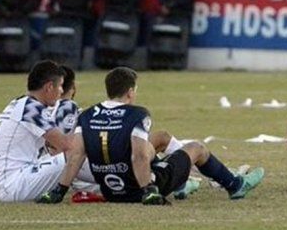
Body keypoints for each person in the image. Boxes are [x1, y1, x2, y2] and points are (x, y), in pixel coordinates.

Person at [37, 67, 265, 205]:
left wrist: (59, 190)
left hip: (110, 189)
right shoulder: (138, 113)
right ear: (130, 92)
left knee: (161, 138)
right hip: (138, 188)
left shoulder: (86, 115)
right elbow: (138, 156)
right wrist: (149, 191)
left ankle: (182, 184)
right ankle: (235, 185)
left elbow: (76, 154)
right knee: (197, 148)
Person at [0, 60, 78, 202]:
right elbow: (64, 145)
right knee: (77, 152)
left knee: (75, 154)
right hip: (13, 185)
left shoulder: (22, 103)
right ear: (49, 87)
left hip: (8, 182)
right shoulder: (31, 108)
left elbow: (53, 146)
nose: (61, 91)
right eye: (60, 86)